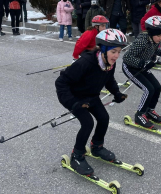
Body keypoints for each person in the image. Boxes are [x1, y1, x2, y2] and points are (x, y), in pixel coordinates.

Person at [55, 29, 128, 176]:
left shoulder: (109, 63)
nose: (117, 55)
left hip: (92, 96)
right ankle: (77, 155)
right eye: (113, 51)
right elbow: (61, 82)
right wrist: (72, 102)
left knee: (104, 118)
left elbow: (109, 80)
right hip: (75, 97)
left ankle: (97, 146)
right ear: (103, 49)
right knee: (87, 123)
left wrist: (117, 93)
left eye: (119, 52)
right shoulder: (86, 62)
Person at [122, 16, 161, 129]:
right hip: (130, 67)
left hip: (141, 67)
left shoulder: (153, 39)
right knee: (149, 89)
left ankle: (149, 111)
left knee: (157, 87)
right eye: (158, 36)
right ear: (152, 33)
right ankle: (139, 115)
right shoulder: (142, 40)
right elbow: (127, 57)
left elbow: (153, 49)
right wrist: (143, 64)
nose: (160, 38)